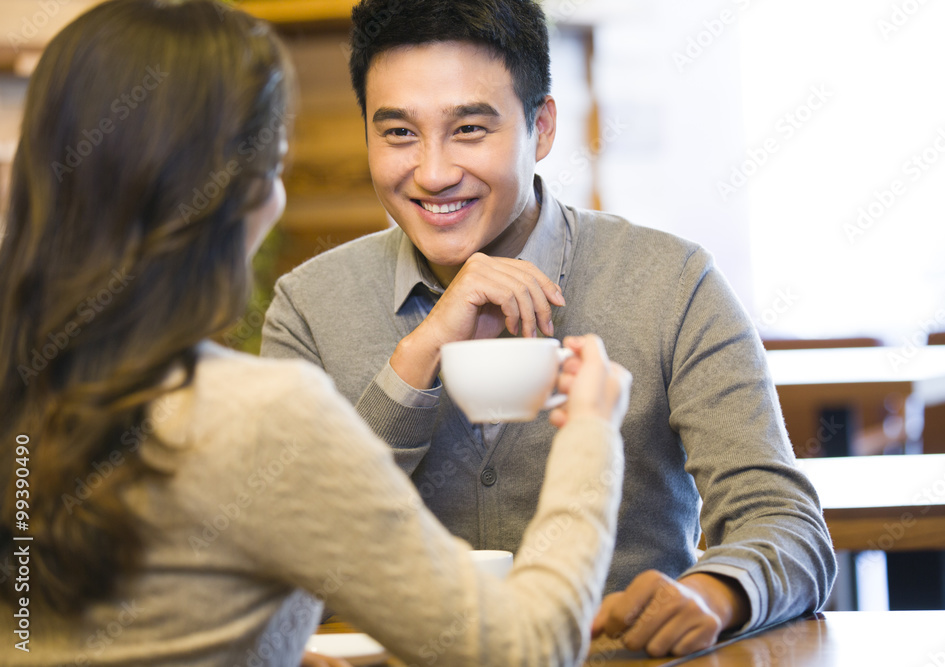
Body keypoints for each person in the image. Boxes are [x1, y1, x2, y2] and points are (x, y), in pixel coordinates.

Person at [0, 1, 633, 666]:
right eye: (273, 164)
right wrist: (590, 432)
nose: (435, 169)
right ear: (236, 192)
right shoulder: (259, 409)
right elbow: (526, 649)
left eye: (469, 127)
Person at [261, 0, 837, 657]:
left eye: (470, 129)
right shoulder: (306, 308)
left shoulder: (672, 281)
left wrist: (713, 593)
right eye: (398, 134)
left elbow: (786, 524)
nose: (433, 172)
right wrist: (414, 362)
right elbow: (282, 545)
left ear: (541, 127)